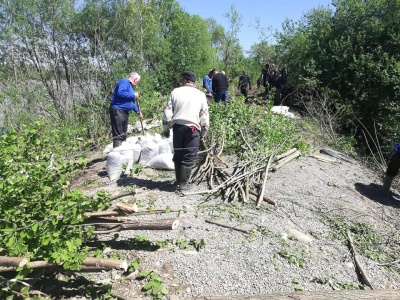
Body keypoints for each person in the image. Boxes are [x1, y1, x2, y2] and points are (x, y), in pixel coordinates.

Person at [162, 71, 209, 191]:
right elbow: (204, 116)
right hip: (192, 129)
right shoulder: (200, 95)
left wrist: (166, 129)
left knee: (178, 154)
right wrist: (203, 133)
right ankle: (183, 184)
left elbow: (168, 112)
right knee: (189, 156)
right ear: (193, 81)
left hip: (178, 127)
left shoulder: (175, 92)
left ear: (184, 80)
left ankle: (178, 182)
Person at [109, 72, 143, 148]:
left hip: (124, 112)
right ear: (135, 79)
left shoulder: (130, 87)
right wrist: (133, 95)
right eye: (137, 82)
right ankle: (117, 152)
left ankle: (123, 152)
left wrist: (138, 111)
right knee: (119, 133)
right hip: (118, 110)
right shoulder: (124, 81)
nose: (137, 84)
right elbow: (120, 93)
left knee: (124, 133)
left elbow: (131, 103)